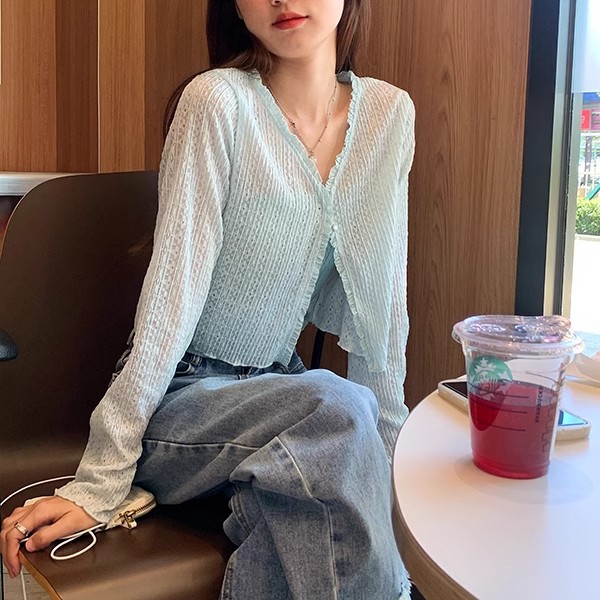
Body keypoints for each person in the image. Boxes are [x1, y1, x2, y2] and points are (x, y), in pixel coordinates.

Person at [1, 0, 415, 597]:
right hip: (181, 402)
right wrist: (101, 480)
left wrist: (387, 464)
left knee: (303, 492)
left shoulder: (388, 116)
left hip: (279, 398)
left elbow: (384, 307)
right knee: (337, 408)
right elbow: (170, 300)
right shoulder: (217, 101)